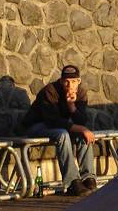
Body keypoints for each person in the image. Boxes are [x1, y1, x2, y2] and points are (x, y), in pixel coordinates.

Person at [21, 65, 97, 196]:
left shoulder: (81, 93)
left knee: (84, 135)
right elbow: (52, 121)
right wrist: (82, 128)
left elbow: (81, 121)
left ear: (78, 81)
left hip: (60, 127)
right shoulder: (50, 91)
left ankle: (88, 178)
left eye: (73, 81)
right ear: (61, 81)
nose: (70, 85)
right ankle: (72, 182)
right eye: (66, 81)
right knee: (63, 134)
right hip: (36, 126)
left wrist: (72, 106)